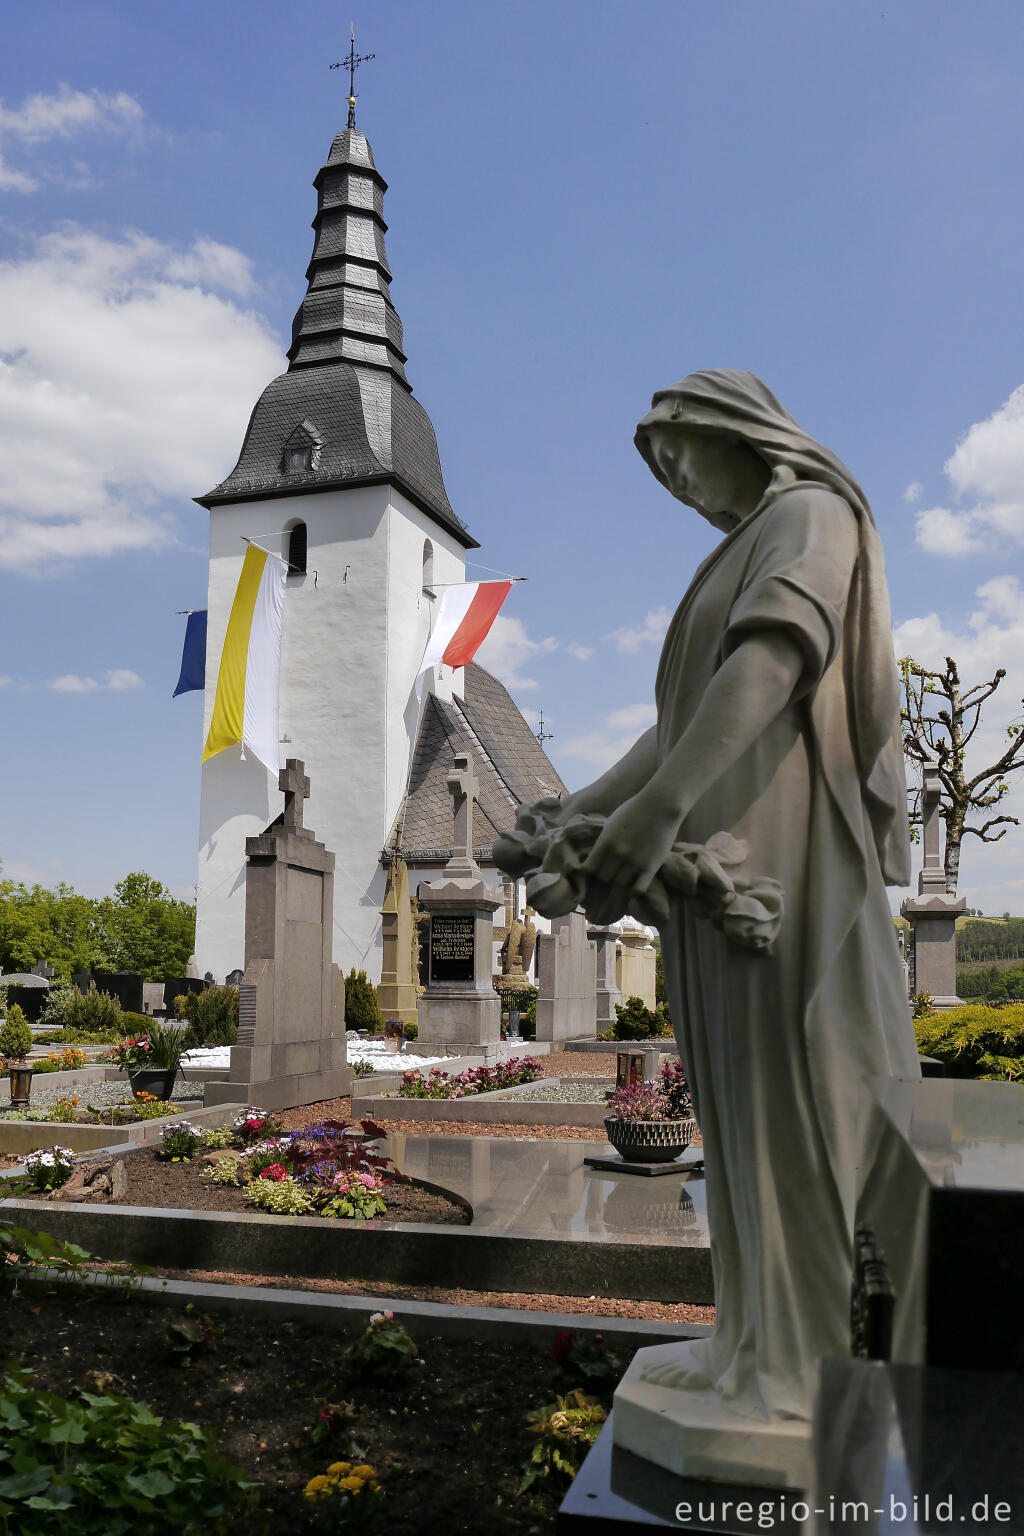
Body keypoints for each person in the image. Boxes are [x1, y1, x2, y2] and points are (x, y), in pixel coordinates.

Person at [563, 369, 919, 1422]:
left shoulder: (810, 513)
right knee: (732, 1102)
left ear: (738, 431)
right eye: (658, 471)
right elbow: (681, 718)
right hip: (719, 860)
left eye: (678, 454)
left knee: (785, 1098)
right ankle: (750, 1340)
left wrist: (660, 809)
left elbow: (769, 664)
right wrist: (581, 805)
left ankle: (798, 1371)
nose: (675, 482)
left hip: (777, 844)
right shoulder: (735, 548)